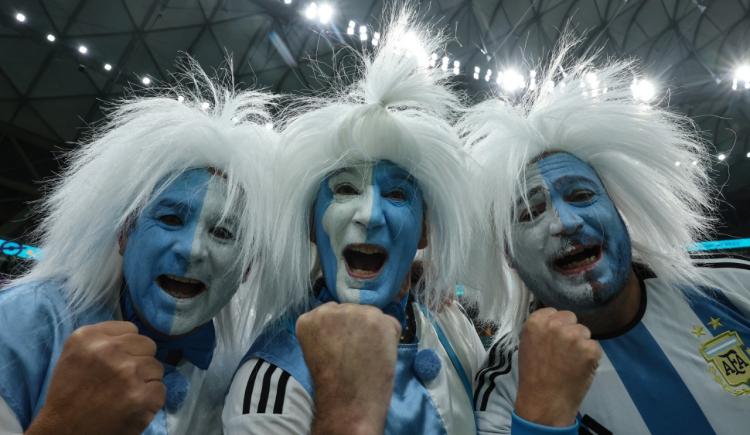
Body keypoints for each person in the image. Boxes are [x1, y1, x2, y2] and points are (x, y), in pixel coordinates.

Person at [463, 42, 750, 435]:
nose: (564, 222)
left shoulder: (734, 283)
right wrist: (540, 418)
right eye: (530, 213)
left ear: (620, 211)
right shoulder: (504, 387)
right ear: (508, 255)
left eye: (581, 196)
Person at [222, 12, 486, 435]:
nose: (369, 215)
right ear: (311, 225)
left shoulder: (449, 325)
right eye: (344, 189)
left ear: (423, 232)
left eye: (398, 195)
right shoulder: (270, 379)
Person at [0, 62, 283, 435]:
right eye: (169, 220)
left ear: (246, 270)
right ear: (124, 233)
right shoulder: (25, 320)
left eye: (223, 233)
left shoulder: (234, 377)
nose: (193, 250)